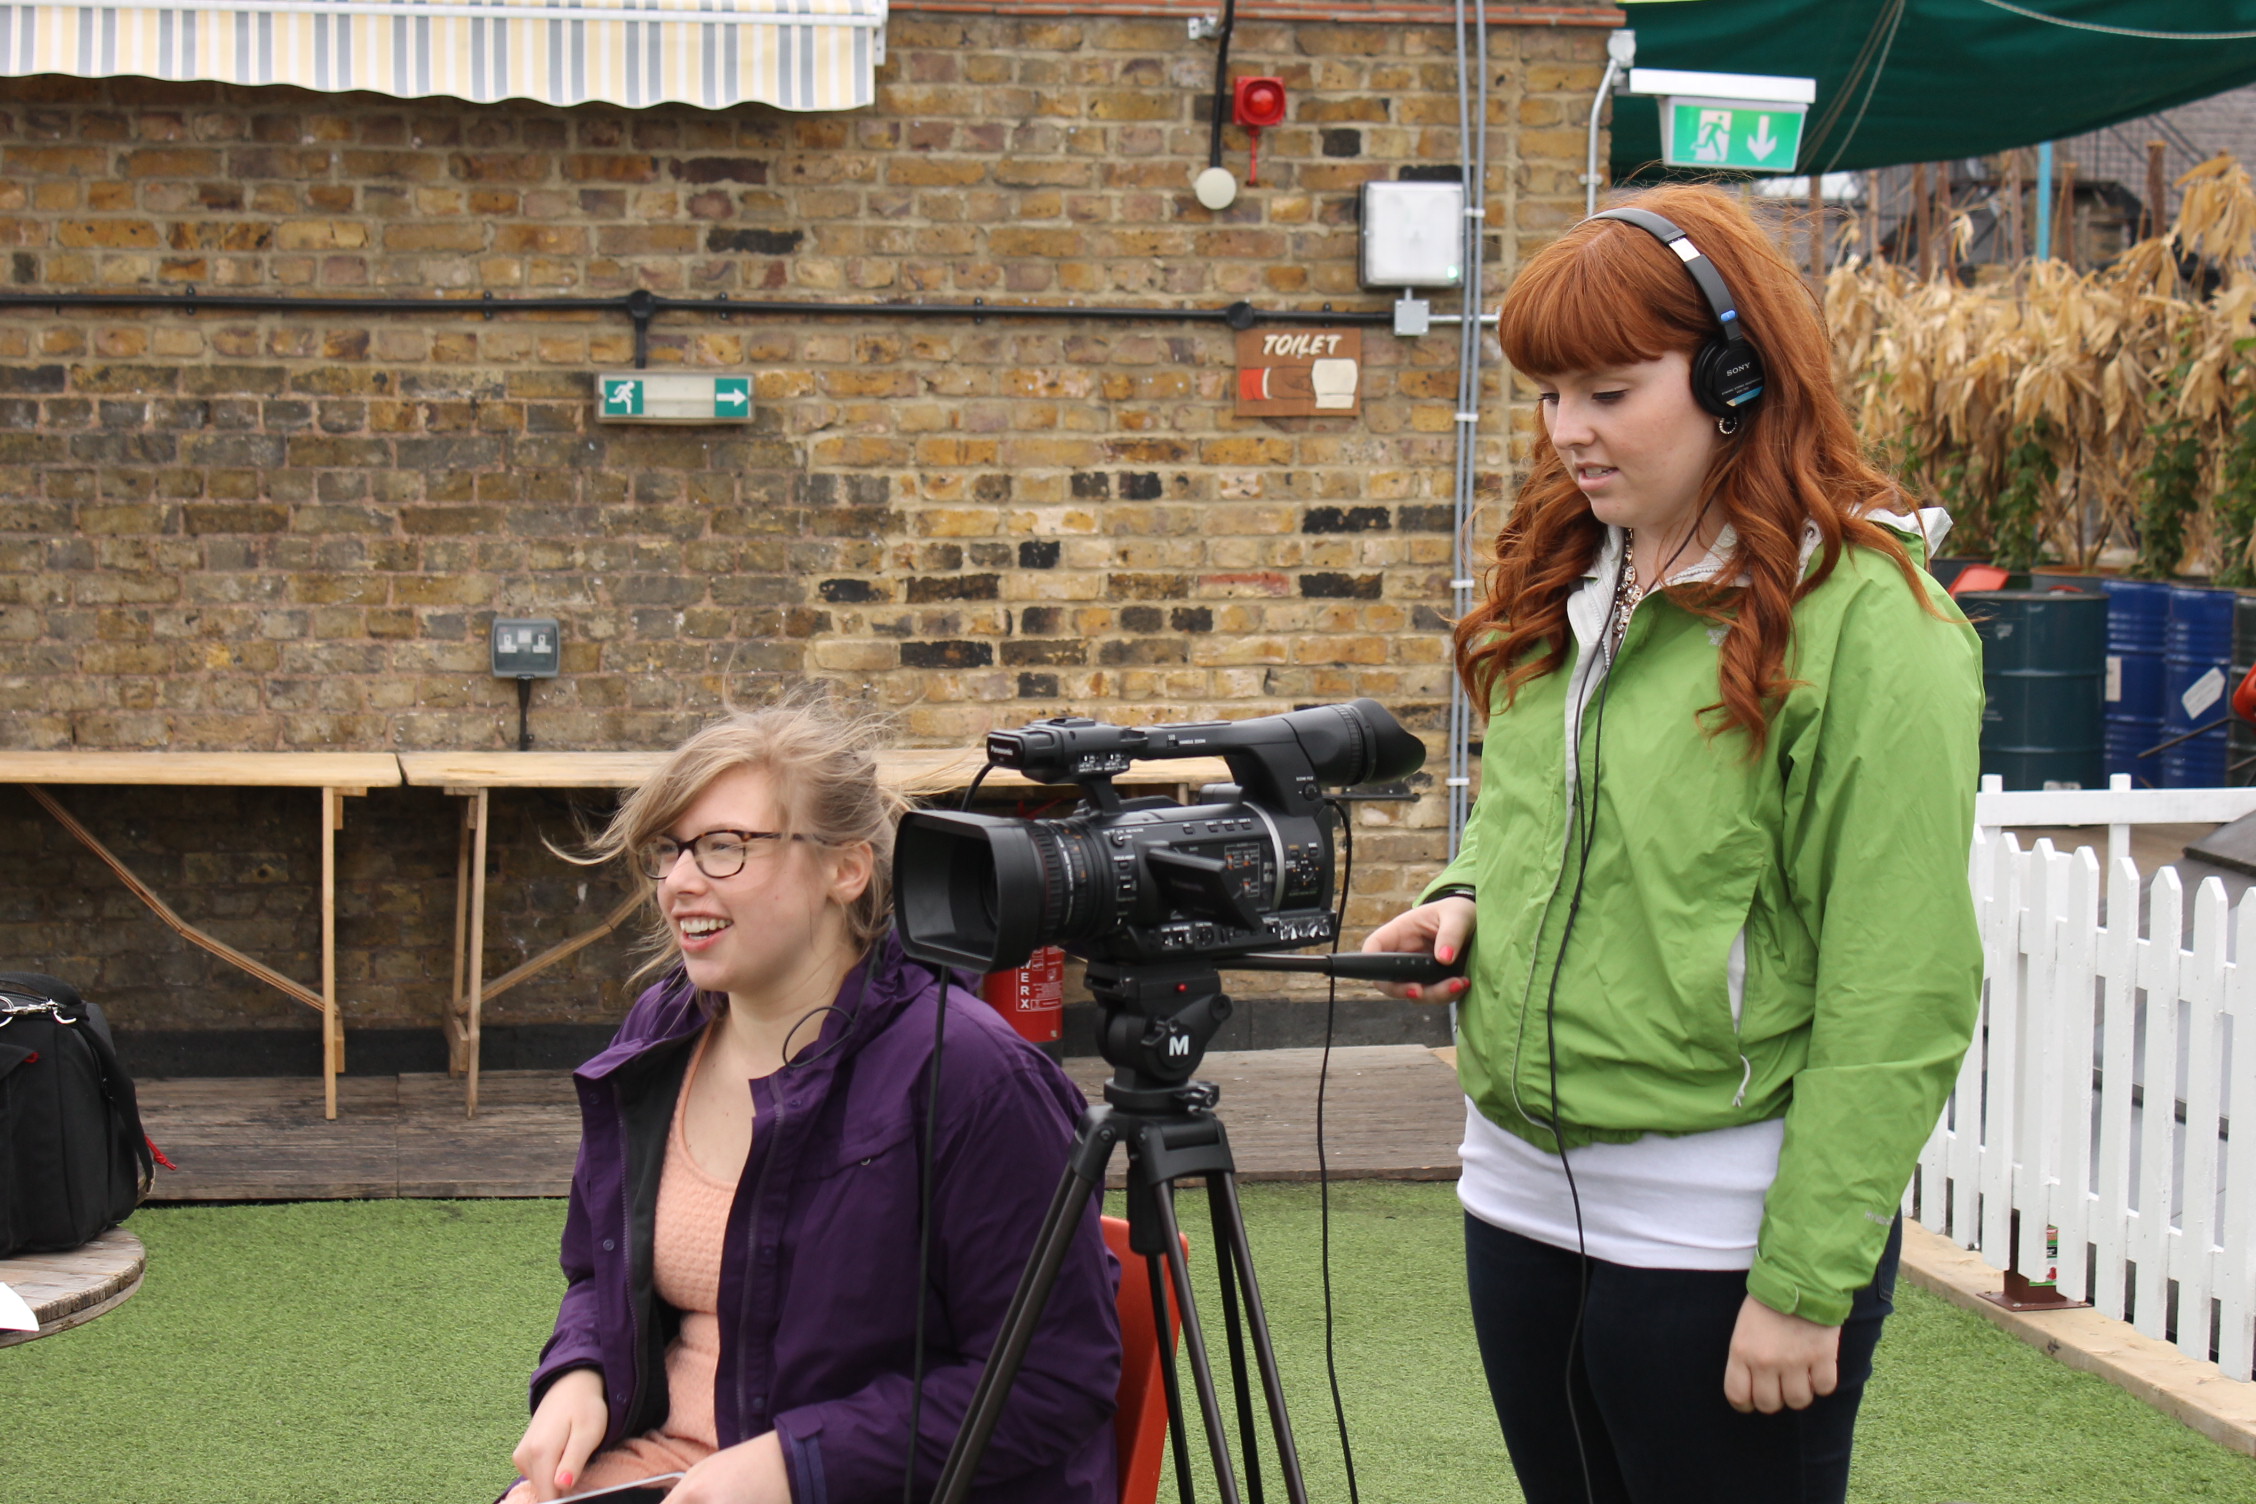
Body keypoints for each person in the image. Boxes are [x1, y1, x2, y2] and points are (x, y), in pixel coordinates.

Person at [1362, 185, 1984, 1504]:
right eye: (1547, 394)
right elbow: (1547, 809)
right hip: (1517, 1196)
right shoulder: (1572, 569)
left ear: (1737, 379)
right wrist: (1468, 891)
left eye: (1607, 391)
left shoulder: (1876, 627)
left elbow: (1902, 978)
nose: (1567, 434)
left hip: (1720, 1223)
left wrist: (1807, 1280)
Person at [503, 700, 1120, 1504]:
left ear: (846, 869)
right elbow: (597, 1272)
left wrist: (797, 1465)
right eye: (670, 849)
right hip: (667, 1469)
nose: (681, 881)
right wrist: (578, 1373)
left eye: (725, 847)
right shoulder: (662, 1034)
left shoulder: (970, 1076)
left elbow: (1055, 1379)